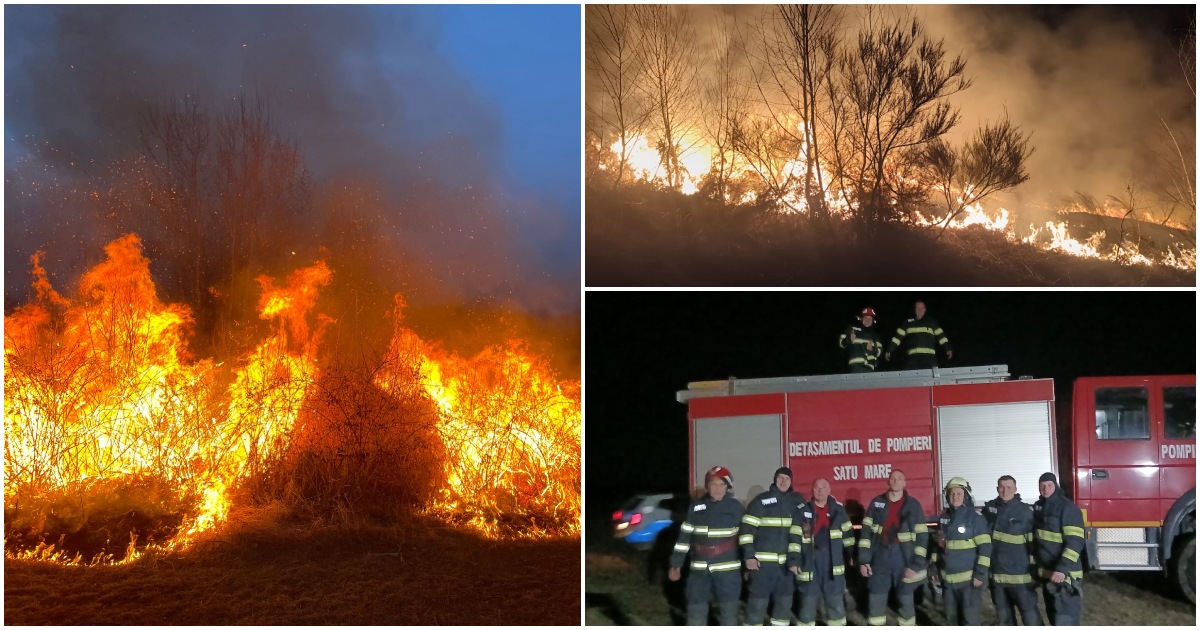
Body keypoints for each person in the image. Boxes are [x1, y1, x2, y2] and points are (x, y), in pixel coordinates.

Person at [669, 466, 745, 626]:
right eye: (713, 484)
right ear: (707, 486)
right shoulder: (696, 508)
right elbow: (684, 538)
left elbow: (747, 538)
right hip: (699, 571)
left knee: (728, 615)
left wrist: (750, 563)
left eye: (721, 484)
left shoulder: (736, 508)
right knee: (695, 613)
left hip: (727, 571)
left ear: (727, 487)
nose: (717, 488)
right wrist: (676, 564)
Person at [857, 469, 929, 626]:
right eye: (893, 478)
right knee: (876, 597)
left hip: (903, 557)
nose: (896, 481)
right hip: (880, 554)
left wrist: (915, 565)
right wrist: (864, 560)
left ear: (904, 483)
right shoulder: (877, 503)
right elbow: (866, 533)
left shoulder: (913, 505)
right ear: (888, 481)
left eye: (899, 478)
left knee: (905, 600)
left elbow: (922, 536)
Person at [741, 467, 804, 626]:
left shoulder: (798, 502)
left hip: (786, 567)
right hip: (763, 566)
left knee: (783, 608)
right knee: (757, 606)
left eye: (787, 478)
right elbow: (747, 531)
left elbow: (802, 533)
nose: (783, 481)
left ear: (791, 481)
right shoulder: (761, 501)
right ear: (775, 479)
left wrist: (797, 560)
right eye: (780, 478)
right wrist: (749, 556)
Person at [789, 478, 853, 626]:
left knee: (835, 602)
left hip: (832, 562)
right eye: (817, 487)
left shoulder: (838, 510)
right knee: (807, 603)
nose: (820, 490)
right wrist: (794, 561)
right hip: (809, 562)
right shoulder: (802, 510)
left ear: (829, 490)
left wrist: (852, 555)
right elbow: (794, 539)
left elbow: (848, 535)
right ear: (812, 490)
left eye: (823, 487)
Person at [932, 477, 991, 625]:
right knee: (952, 621)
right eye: (952, 494)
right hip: (948, 583)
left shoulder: (975, 518)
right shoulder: (943, 519)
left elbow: (985, 548)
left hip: (968, 583)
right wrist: (933, 567)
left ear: (966, 496)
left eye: (959, 493)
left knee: (970, 621)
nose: (955, 497)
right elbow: (938, 547)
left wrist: (980, 574)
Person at [984, 475, 1042, 626]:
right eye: (1001, 487)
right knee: (1005, 620)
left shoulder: (1025, 512)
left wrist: (1034, 570)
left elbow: (1033, 545)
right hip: (997, 578)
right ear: (997, 489)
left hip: (1020, 577)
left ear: (1015, 489)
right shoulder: (990, 509)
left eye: (1009, 487)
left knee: (1030, 618)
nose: (1005, 491)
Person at [1032, 472, 1085, 625]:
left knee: (1066, 620)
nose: (1045, 489)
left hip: (1065, 576)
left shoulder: (1068, 508)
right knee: (1054, 618)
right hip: (1048, 575)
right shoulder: (1039, 507)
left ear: (1056, 486)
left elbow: (1075, 542)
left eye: (1049, 485)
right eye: (1042, 485)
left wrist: (1062, 568)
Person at [885, 301, 953, 369]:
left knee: (932, 375)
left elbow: (942, 337)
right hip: (913, 358)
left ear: (925, 310)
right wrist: (889, 350)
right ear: (914, 310)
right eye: (918, 308)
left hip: (929, 358)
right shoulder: (908, 323)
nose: (920, 310)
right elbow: (897, 338)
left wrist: (947, 348)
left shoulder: (931, 322)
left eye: (922, 308)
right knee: (912, 375)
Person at [839, 307, 883, 373]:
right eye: (865, 318)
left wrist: (872, 349)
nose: (868, 320)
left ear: (873, 321)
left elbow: (879, 352)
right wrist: (849, 339)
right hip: (855, 367)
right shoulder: (852, 329)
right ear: (861, 318)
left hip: (870, 367)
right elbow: (841, 343)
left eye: (870, 319)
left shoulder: (875, 335)